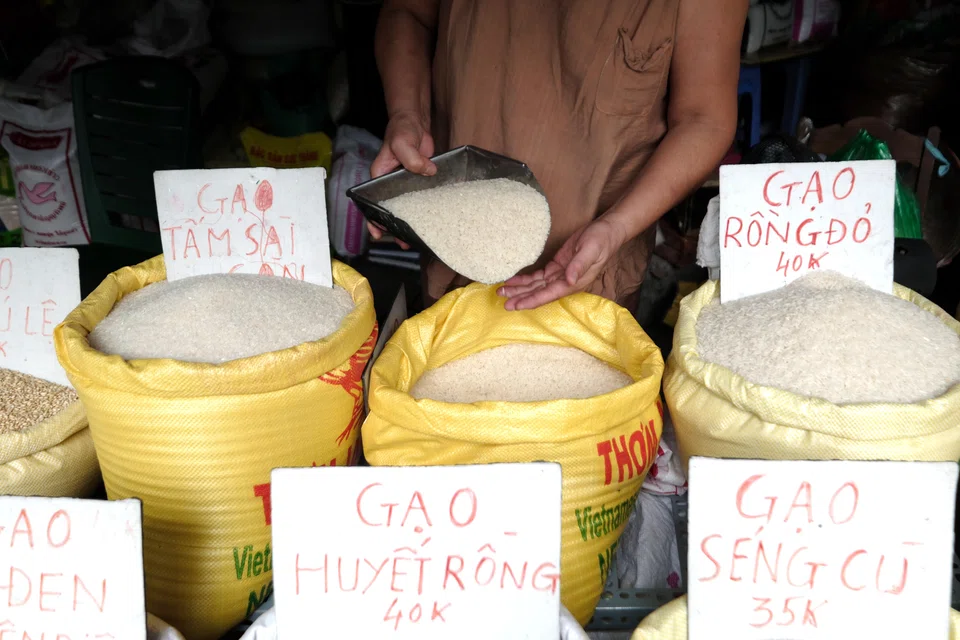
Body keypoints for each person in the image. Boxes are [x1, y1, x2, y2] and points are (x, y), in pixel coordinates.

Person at [367, 0, 747, 311]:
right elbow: (406, 13)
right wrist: (407, 114)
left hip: (592, 273)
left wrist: (616, 227)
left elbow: (704, 118)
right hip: (451, 250)